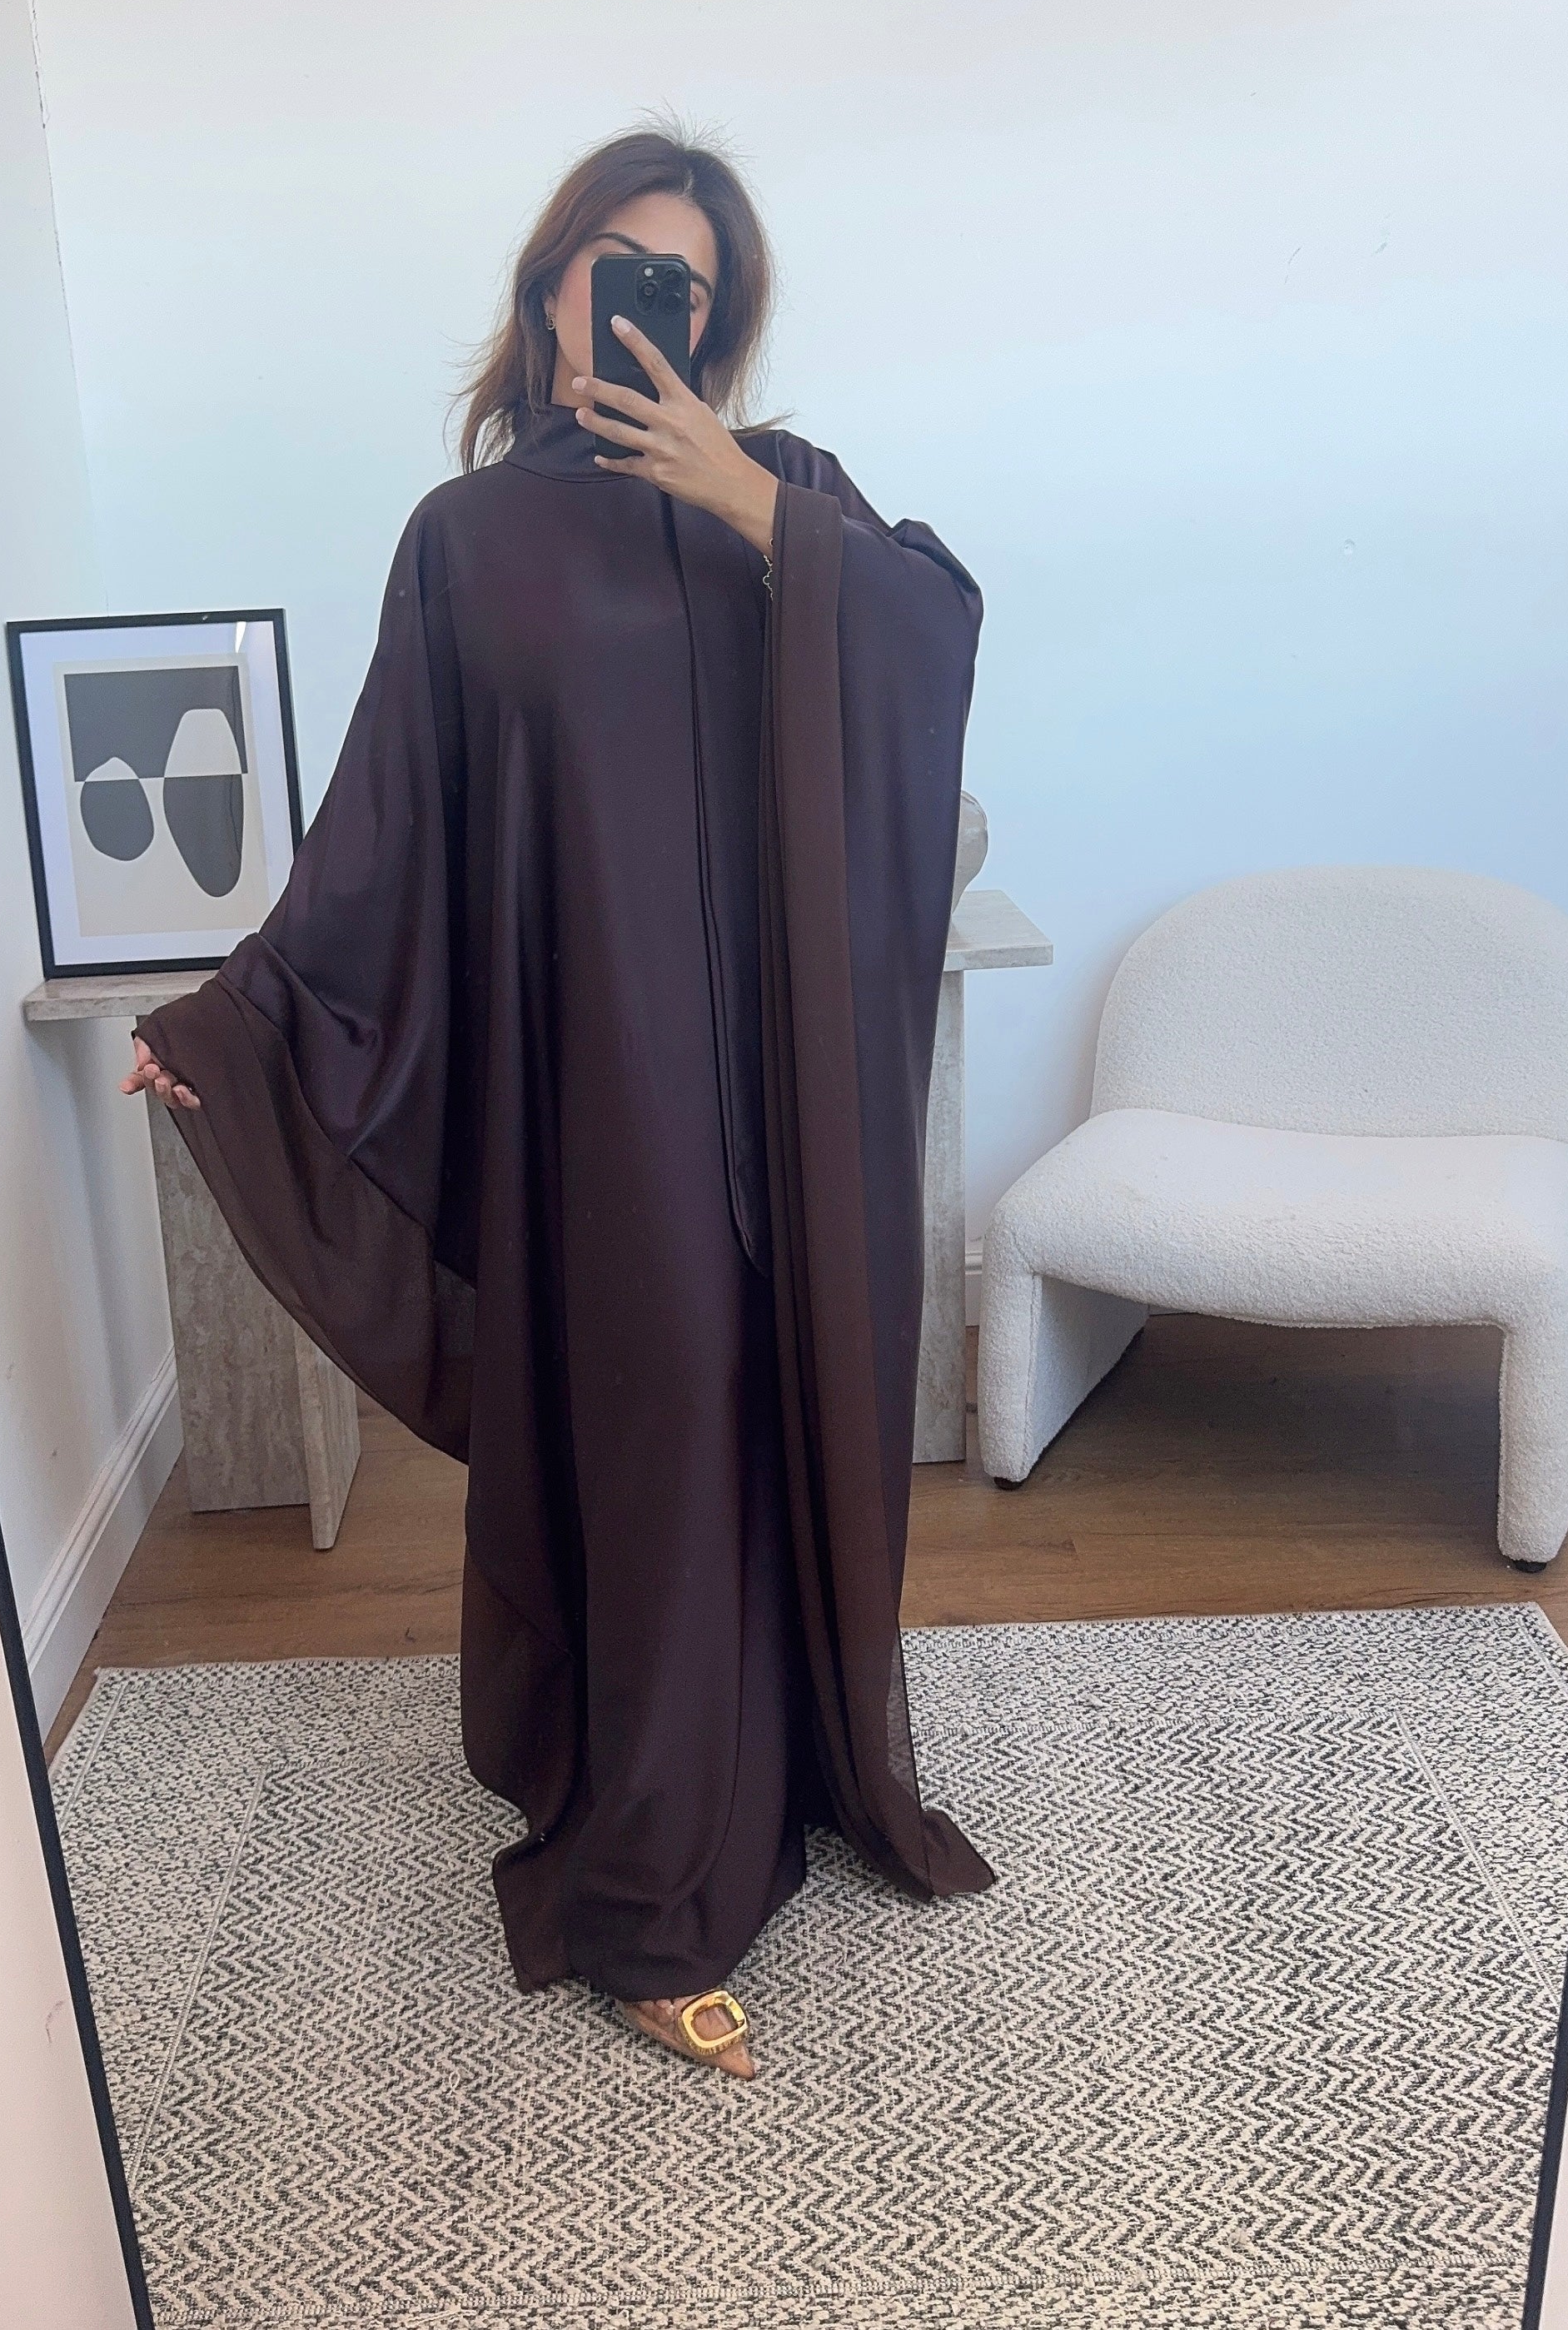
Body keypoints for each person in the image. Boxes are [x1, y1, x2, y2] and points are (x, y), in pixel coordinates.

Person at [123, 121, 993, 2083]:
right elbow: (382, 826)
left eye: (692, 290)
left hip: (797, 1096)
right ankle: (652, 1893)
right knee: (663, 1436)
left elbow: (932, 638)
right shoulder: (467, 543)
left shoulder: (794, 496)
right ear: (550, 290)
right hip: (606, 1103)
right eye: (619, 270)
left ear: (722, 325)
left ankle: (794, 1769)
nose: (650, 311)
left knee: (785, 1418)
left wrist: (749, 507)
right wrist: (243, 1020)